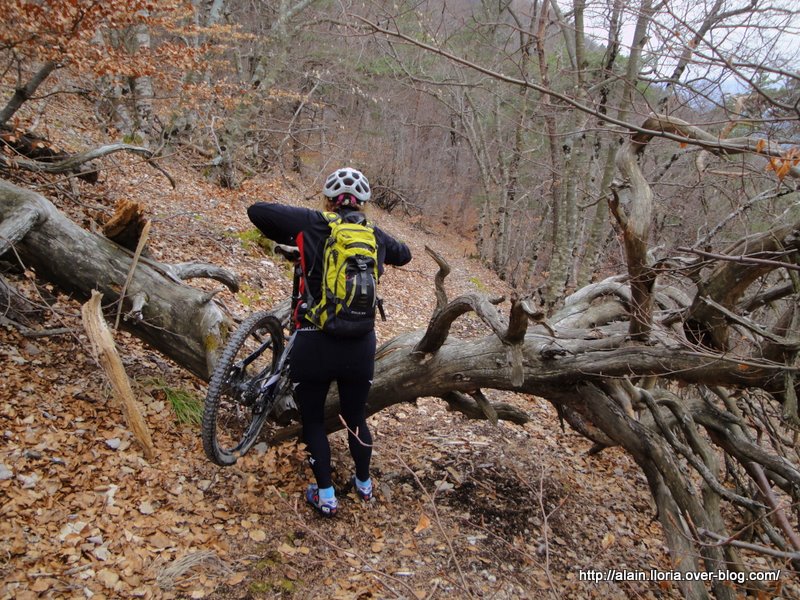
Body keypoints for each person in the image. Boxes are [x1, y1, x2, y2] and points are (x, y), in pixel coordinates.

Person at [247, 167, 412, 517]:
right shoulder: (373, 235)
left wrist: (303, 229)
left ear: (328, 199)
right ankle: (364, 485)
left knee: (314, 420)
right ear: (364, 203)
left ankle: (325, 496)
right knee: (355, 417)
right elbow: (406, 254)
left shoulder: (314, 222)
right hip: (360, 344)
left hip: (314, 340)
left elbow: (257, 212)